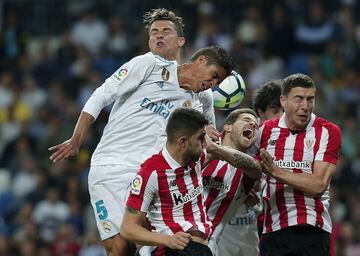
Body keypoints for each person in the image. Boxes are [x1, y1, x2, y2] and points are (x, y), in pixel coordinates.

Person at [121, 107, 262, 256]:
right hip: (172, 249)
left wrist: (215, 148)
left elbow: (255, 168)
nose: (204, 143)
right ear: (183, 142)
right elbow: (128, 228)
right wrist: (166, 240)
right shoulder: (152, 172)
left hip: (203, 249)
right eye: (201, 138)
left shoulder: (197, 161)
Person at [257, 73, 341, 256]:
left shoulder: (328, 131)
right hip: (273, 232)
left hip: (312, 231)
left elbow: (318, 185)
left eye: (310, 99)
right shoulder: (265, 131)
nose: (305, 107)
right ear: (283, 101)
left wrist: (275, 172)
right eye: (299, 99)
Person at [217, 79, 283, 256]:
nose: (281, 117)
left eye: (284, 111)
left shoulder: (289, 142)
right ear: (261, 113)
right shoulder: (245, 138)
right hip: (226, 225)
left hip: (260, 224)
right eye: (276, 111)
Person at [144, 8, 218, 139]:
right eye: (154, 32)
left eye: (166, 31)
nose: (160, 35)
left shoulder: (203, 92)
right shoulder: (140, 70)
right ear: (149, 41)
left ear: (181, 41)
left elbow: (211, 134)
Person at [201, 108, 262, 256]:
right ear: (228, 126)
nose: (253, 125)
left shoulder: (247, 169)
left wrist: (215, 149)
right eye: (247, 120)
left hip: (205, 245)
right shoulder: (201, 147)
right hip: (169, 235)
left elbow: (256, 169)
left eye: (256, 126)